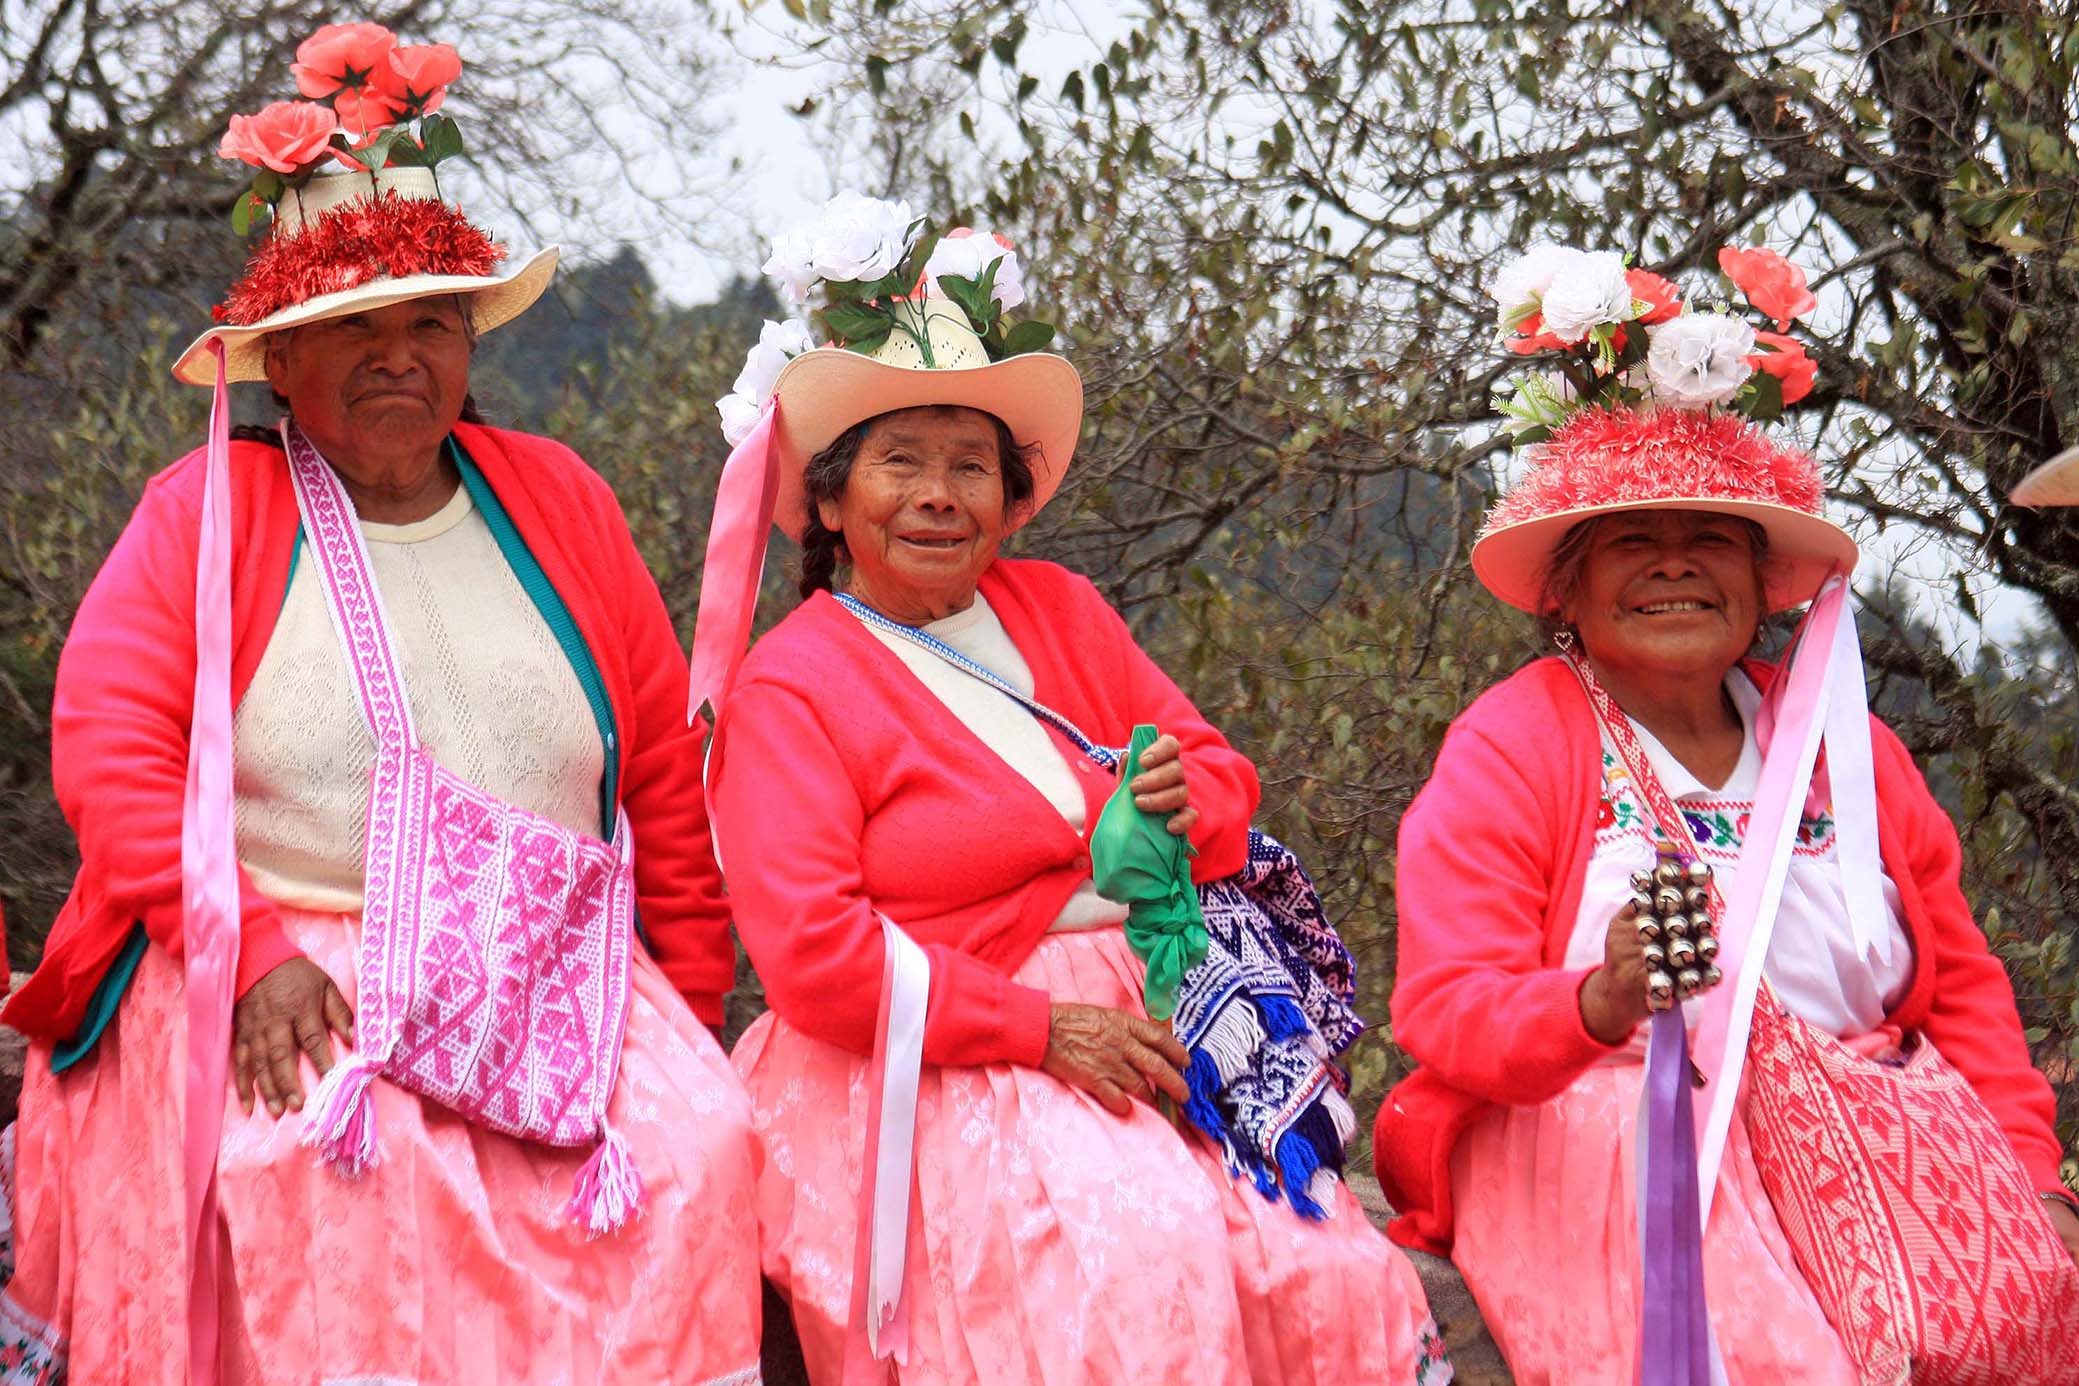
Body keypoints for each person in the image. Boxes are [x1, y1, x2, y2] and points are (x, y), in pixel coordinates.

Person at [0, 29, 760, 1384]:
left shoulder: (563, 503)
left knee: (698, 1151)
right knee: (334, 1182)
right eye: (347, 326)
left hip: (551, 962)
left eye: (426, 321)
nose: (393, 354)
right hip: (287, 957)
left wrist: (683, 1002)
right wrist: (237, 958)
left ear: (468, 345)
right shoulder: (203, 517)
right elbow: (111, 753)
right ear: (277, 362)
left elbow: (654, 772)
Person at [691, 199, 1450, 1384]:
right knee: (1134, 1265)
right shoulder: (793, 688)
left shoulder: (1062, 612)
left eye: (970, 466)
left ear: (1011, 497)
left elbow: (1220, 777)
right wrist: (1045, 1030)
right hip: (955, 1055)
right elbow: (814, 958)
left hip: (1164, 1015)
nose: (940, 494)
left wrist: (1178, 797)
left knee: (1323, 1276)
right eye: (901, 462)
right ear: (831, 501)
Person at [1376, 244, 2079, 1384]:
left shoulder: (1853, 759)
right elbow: (1449, 1007)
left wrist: (2030, 1182)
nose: (1673, 567)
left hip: (1868, 1137)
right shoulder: (1515, 746)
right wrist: (1596, 1002)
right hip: (1613, 1144)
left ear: (1762, 582)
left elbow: (1962, 995)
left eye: (1708, 539)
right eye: (1630, 543)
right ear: (1567, 587)